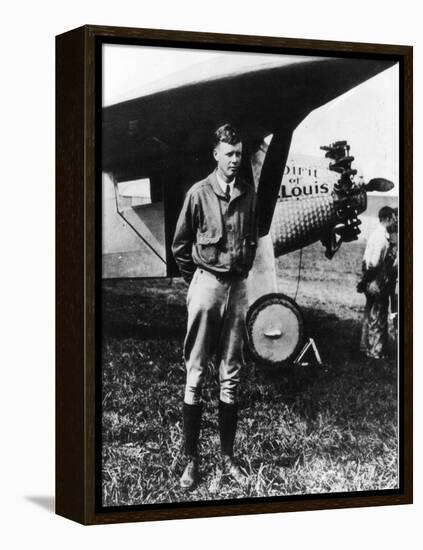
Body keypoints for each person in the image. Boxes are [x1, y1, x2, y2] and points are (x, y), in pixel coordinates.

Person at [172, 123, 258, 489]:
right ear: (216, 154)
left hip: (237, 288)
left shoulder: (247, 194)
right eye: (230, 153)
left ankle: (227, 458)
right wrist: (200, 281)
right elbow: (180, 246)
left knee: (231, 375)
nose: (236, 160)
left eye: (239, 153)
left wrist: (237, 275)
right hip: (207, 284)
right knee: (195, 372)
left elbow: (251, 238)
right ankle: (191, 462)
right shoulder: (198, 193)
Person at [357, 206, 397, 359]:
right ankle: (375, 351)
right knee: (378, 315)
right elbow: (374, 263)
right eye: (393, 217)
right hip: (376, 279)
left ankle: (365, 345)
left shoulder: (374, 234)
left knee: (370, 313)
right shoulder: (382, 238)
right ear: (387, 218)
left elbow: (366, 260)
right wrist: (371, 280)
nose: (394, 220)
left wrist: (363, 281)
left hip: (369, 277)